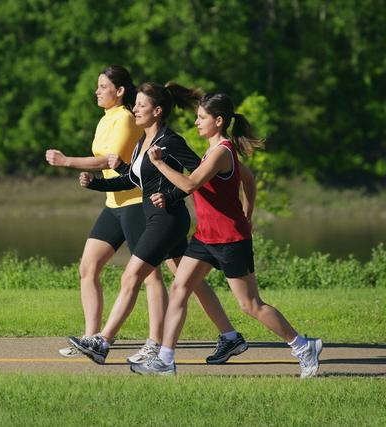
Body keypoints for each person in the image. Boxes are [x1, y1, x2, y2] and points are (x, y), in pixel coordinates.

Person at [131, 92, 323, 378]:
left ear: (218, 121)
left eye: (202, 118)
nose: (196, 122)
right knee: (179, 288)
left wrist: (159, 163)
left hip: (230, 239)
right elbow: (248, 179)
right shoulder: (212, 151)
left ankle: (303, 346)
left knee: (250, 305)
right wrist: (248, 210)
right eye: (197, 116)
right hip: (205, 237)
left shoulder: (221, 151)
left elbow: (191, 183)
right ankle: (166, 360)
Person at [68, 82, 251, 365]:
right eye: (135, 104)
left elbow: (197, 176)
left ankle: (102, 342)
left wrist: (171, 194)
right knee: (190, 281)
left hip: (167, 220)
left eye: (141, 105)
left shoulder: (170, 141)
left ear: (157, 111)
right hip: (159, 217)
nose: (135, 109)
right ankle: (230, 336)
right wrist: (95, 184)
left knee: (131, 276)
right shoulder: (144, 140)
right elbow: (134, 179)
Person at [46, 65, 172, 362]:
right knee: (88, 268)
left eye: (103, 86)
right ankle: (91, 337)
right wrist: (95, 181)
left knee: (150, 275)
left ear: (120, 91)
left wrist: (67, 161)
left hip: (134, 204)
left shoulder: (127, 119)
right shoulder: (106, 120)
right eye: (98, 86)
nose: (97, 91)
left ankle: (156, 342)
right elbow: (105, 162)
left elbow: (107, 159)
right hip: (113, 205)